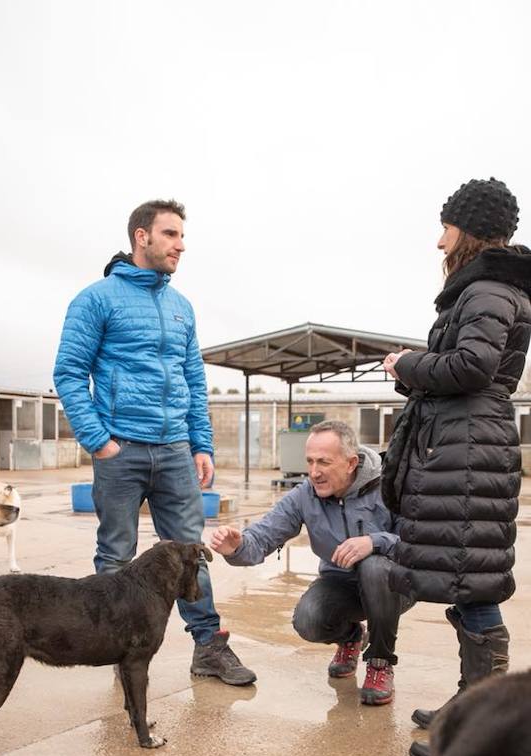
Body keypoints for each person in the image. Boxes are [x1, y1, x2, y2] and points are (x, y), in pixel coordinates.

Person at [53, 199, 255, 686]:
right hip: (120, 448)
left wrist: (200, 444)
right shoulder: (96, 299)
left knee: (191, 552)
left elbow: (193, 379)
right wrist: (99, 441)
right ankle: (114, 651)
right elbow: (68, 372)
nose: (180, 245)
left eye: (182, 236)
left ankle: (208, 647)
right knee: (116, 556)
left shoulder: (181, 307)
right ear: (141, 236)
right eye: (170, 234)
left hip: (175, 452)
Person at [381, 177, 531, 756]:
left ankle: (485, 725)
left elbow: (473, 366)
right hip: (460, 446)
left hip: (471, 450)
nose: (438, 239)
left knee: (474, 584)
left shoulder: (490, 289)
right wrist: (411, 372)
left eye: (446, 226)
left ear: (467, 229)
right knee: (464, 582)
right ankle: (472, 702)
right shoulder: (481, 289)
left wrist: (407, 362)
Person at [210, 420, 414, 705]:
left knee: (374, 565)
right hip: (342, 584)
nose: (314, 472)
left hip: (395, 584)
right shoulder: (305, 495)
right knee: (308, 619)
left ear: (351, 462)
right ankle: (351, 637)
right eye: (310, 462)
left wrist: (375, 542)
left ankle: (380, 662)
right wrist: (237, 546)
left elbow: (419, 543)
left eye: (324, 462)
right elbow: (263, 535)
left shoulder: (391, 486)